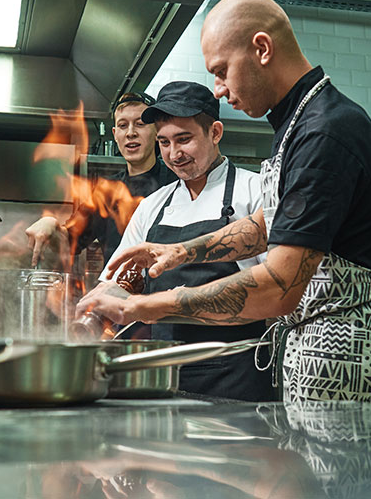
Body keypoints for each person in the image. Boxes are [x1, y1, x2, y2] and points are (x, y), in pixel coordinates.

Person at [81, 0, 371, 409]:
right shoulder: (299, 122)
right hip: (318, 346)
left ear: (262, 49)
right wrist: (183, 251)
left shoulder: (324, 131)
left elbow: (279, 287)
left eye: (221, 71)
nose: (218, 89)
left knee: (346, 474)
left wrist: (144, 307)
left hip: (356, 354)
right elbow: (274, 223)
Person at [77, 80, 274, 401]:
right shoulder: (154, 207)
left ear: (215, 133)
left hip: (237, 372)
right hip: (164, 373)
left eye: (184, 140)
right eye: (165, 142)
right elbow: (121, 282)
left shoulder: (255, 193)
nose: (174, 154)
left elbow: (273, 288)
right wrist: (93, 307)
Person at [25, 92, 176, 267]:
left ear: (157, 131)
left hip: (167, 293)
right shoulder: (104, 191)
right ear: (115, 134)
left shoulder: (177, 183)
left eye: (140, 124)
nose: (130, 133)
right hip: (115, 291)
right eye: (122, 125)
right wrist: (50, 225)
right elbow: (68, 243)